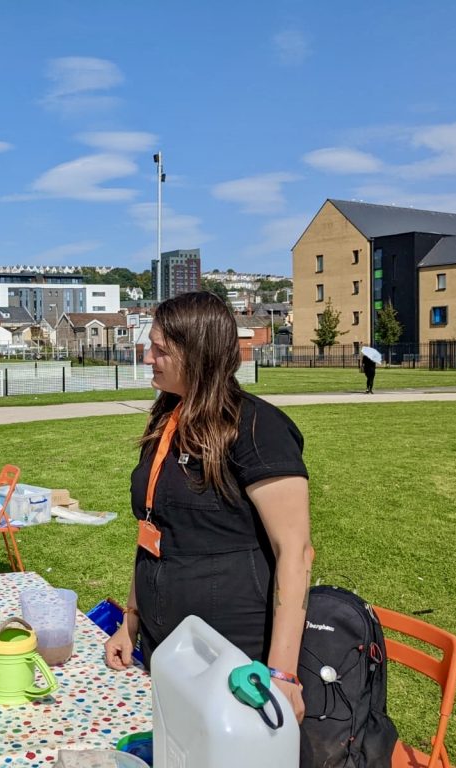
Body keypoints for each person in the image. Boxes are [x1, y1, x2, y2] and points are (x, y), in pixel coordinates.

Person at [103, 291, 314, 725]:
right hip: (167, 641)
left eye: (161, 350)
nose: (149, 358)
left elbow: (296, 552)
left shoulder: (258, 428)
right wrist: (132, 620)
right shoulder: (169, 417)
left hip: (231, 649)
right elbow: (152, 528)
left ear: (197, 354)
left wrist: (282, 673)